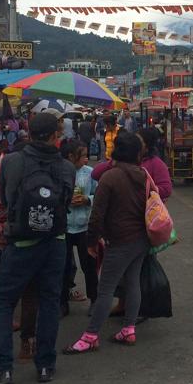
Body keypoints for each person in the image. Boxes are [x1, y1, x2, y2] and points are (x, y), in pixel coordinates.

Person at [0, 113, 75, 384]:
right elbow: (67, 200)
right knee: (48, 301)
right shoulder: (66, 167)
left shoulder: (11, 162)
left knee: (4, 302)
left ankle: (3, 370)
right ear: (54, 136)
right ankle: (46, 365)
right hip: (55, 242)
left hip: (20, 242)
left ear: (28, 132)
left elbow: (5, 198)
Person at [64, 132, 151, 354]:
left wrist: (91, 241)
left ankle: (91, 335)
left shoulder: (110, 177)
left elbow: (97, 215)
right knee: (132, 282)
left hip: (120, 240)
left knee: (105, 289)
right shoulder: (143, 174)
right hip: (141, 239)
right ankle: (129, 328)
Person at [0, 140, 39, 366]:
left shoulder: (3, 164)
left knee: (4, 295)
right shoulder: (14, 166)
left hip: (0, 235)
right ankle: (24, 345)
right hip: (12, 236)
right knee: (23, 293)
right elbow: (16, 202)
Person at [61, 139, 96, 312]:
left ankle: (94, 301)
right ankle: (62, 303)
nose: (86, 159)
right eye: (83, 156)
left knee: (89, 266)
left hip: (85, 227)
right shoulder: (59, 172)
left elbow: (99, 195)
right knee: (63, 266)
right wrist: (66, 202)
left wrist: (87, 199)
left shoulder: (90, 173)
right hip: (65, 227)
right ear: (70, 156)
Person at [139, 127, 172, 200]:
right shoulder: (130, 160)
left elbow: (166, 189)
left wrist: (147, 191)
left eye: (138, 142)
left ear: (147, 145)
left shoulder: (157, 164)